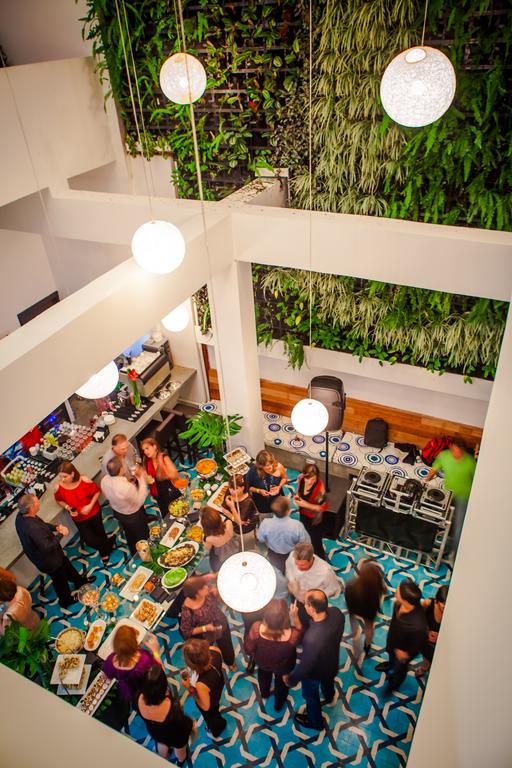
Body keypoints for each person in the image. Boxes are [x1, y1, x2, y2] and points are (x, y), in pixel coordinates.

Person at [15, 493, 93, 608]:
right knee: (59, 580)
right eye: (37, 502)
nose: (39, 503)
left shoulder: (22, 515)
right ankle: (66, 600)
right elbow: (47, 547)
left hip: (54, 555)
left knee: (66, 565)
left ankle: (79, 582)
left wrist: (55, 528)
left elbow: (41, 524)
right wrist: (62, 534)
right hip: (48, 560)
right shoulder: (32, 528)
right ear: (31, 507)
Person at [283, 589, 344, 731]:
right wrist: (296, 617)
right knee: (328, 683)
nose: (304, 606)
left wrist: (291, 679)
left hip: (315, 673)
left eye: (306, 604)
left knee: (311, 697)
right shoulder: (337, 613)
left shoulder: (312, 638)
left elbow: (305, 666)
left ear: (312, 608)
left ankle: (315, 722)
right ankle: (329, 697)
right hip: (332, 663)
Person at [244, 598, 303, 710]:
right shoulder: (292, 636)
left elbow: (248, 649)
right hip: (284, 667)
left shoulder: (257, 629)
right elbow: (301, 633)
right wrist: (295, 616)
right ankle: (278, 704)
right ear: (285, 616)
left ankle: (265, 693)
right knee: (282, 685)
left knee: (263, 677)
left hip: (263, 663)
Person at [375, 579, 428, 693]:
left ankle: (393, 685)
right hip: (393, 640)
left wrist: (407, 654)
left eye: (398, 591)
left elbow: (420, 643)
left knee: (400, 670)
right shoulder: (398, 604)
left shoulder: (418, 624)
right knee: (391, 656)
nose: (395, 592)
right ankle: (389, 665)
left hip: (403, 653)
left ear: (407, 601)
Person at [54, 461, 113, 564]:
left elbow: (97, 492)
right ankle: (110, 542)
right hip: (78, 518)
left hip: (93, 512)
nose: (62, 480)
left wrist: (90, 506)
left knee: (100, 532)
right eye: (60, 477)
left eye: (64, 477)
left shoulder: (84, 481)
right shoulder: (58, 487)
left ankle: (104, 552)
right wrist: (68, 508)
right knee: (89, 540)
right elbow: (59, 500)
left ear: (72, 474)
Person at [424, 437, 476, 552]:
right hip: (448, 493)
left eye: (459, 452)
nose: (456, 454)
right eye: (454, 451)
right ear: (451, 447)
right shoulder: (444, 456)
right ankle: (434, 545)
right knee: (438, 518)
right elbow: (434, 469)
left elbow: (476, 480)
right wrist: (426, 480)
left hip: (464, 496)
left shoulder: (470, 462)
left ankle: (455, 553)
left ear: (463, 450)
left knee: (459, 526)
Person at [136, 664, 195, 764]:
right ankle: (181, 761)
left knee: (162, 743)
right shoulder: (172, 708)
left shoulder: (138, 698)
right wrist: (192, 725)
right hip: (174, 736)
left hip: (155, 732)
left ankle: (164, 758)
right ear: (164, 686)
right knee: (180, 751)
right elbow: (185, 725)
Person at [180, 575, 236, 670]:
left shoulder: (207, 592)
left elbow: (218, 599)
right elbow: (186, 631)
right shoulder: (187, 611)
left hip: (221, 624)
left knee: (227, 645)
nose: (206, 587)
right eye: (202, 587)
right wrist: (205, 628)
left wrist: (219, 593)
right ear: (196, 594)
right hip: (207, 635)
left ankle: (230, 661)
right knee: (208, 652)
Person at [100, 456, 149, 555]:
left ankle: (134, 553)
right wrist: (141, 479)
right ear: (121, 469)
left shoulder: (104, 480)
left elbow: (108, 496)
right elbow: (139, 500)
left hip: (118, 512)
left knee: (129, 534)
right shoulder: (126, 487)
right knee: (142, 535)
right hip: (133, 515)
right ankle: (147, 555)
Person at [286, 542, 342, 625]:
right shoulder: (292, 556)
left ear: (311, 559)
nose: (298, 568)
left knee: (308, 622)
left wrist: (313, 597)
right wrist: (291, 581)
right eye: (296, 564)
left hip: (312, 605)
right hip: (295, 595)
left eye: (302, 565)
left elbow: (333, 589)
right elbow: (289, 568)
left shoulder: (326, 572)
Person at [103, 624, 161, 701]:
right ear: (134, 642)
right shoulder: (144, 658)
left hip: (127, 690)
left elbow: (107, 676)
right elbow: (158, 669)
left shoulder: (110, 660)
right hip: (146, 686)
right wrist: (155, 651)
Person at [181, 638, 226, 738]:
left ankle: (216, 729)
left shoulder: (201, 685)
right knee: (215, 708)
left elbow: (206, 707)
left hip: (210, 699)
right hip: (218, 684)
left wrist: (190, 688)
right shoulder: (215, 650)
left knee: (211, 716)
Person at [345, 558, 387, 657]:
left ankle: (355, 638)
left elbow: (347, 598)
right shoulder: (376, 586)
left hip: (354, 609)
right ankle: (367, 645)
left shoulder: (351, 585)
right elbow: (383, 591)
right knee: (369, 627)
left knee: (353, 623)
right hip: (369, 611)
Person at [257, 496, 310, 573]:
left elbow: (260, 539)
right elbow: (305, 542)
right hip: (290, 554)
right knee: (289, 570)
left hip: (272, 554)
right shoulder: (297, 525)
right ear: (288, 511)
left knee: (275, 571)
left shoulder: (265, 523)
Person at [293, 462, 329, 560]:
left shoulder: (320, 488)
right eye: (307, 478)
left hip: (314, 519)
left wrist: (305, 504)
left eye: (313, 479)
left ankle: (321, 558)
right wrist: (297, 496)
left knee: (316, 540)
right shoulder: (301, 478)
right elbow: (299, 491)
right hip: (303, 514)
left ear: (317, 476)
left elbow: (321, 508)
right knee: (304, 534)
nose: (309, 482)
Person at [141, 437, 185, 517]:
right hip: (158, 495)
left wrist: (163, 472)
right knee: (167, 516)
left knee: (179, 512)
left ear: (154, 446)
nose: (145, 452)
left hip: (170, 492)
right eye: (144, 450)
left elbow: (175, 474)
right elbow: (147, 476)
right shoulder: (147, 460)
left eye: (147, 448)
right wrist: (148, 479)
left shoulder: (163, 458)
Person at [416, 585, 448, 677]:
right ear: (437, 600)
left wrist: (440, 637)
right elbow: (418, 619)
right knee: (426, 658)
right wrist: (427, 632)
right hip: (427, 640)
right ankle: (424, 667)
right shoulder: (428, 604)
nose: (445, 607)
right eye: (443, 603)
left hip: (441, 645)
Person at [246, 450, 288, 516]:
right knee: (265, 519)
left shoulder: (278, 466)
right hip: (262, 503)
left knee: (280, 516)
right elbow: (247, 487)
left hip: (277, 500)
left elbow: (284, 478)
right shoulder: (253, 471)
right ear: (260, 466)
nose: (269, 467)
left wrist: (279, 487)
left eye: (270, 464)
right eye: (265, 466)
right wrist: (259, 491)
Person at [223, 475, 259, 551]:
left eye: (235, 489)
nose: (232, 491)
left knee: (247, 544)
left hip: (246, 529)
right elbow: (223, 509)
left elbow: (239, 522)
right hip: (233, 526)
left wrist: (232, 507)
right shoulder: (229, 492)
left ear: (242, 488)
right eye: (230, 488)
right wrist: (233, 518)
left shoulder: (248, 502)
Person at [0, 568, 39, 635]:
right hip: (34, 618)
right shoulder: (20, 589)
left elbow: (5, 633)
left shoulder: (8, 616)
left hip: (23, 633)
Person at [201, 506, 239, 572]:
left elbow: (208, 549)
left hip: (223, 554)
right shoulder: (228, 523)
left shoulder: (208, 538)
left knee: (212, 559)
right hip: (234, 546)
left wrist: (203, 537)